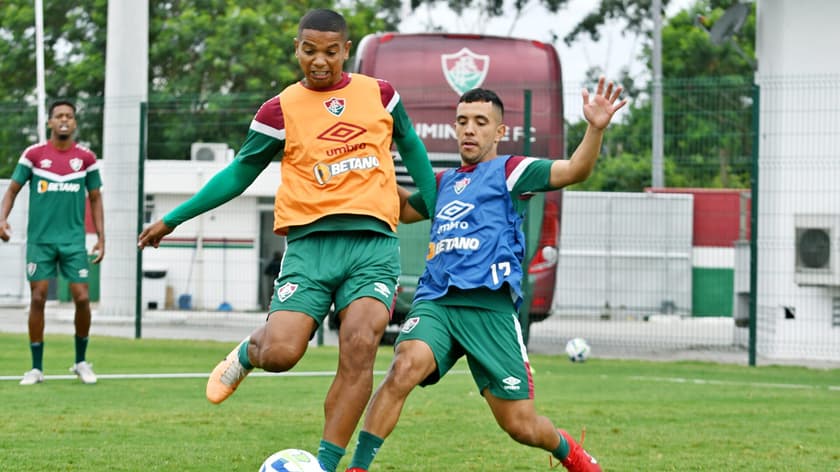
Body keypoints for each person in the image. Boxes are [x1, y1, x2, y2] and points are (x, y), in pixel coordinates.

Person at [137, 9, 437, 472]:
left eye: (331, 52)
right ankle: (247, 352)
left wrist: (438, 204)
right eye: (309, 50)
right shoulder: (278, 109)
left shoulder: (380, 95)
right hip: (309, 247)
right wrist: (174, 218)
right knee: (282, 353)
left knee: (359, 346)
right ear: (297, 49)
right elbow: (239, 173)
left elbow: (413, 145)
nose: (320, 61)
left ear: (346, 51)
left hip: (373, 246)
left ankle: (324, 465)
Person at [346, 82, 626, 472]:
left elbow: (575, 169)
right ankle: (357, 468)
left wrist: (595, 128)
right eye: (462, 121)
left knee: (521, 426)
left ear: (500, 131)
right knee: (403, 367)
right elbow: (403, 209)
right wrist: (365, 159)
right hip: (438, 302)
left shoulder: (511, 171)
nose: (469, 130)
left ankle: (571, 453)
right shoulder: (441, 183)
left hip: (489, 309)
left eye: (480, 122)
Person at [0, 100, 105, 386]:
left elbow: (95, 198)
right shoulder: (34, 155)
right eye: (58, 115)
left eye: (69, 116)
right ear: (49, 122)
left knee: (82, 298)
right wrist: (2, 219)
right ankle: (36, 368)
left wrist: (100, 237)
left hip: (72, 241)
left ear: (74, 123)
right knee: (38, 298)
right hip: (41, 241)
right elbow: (11, 190)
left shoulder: (85, 158)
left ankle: (81, 362)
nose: (64, 120)